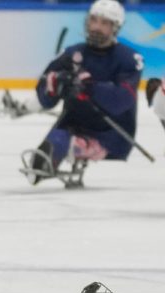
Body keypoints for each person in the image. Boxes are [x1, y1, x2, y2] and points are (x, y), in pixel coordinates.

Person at [20, 0, 143, 185]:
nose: (97, 27)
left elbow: (121, 100)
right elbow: (45, 98)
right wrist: (54, 86)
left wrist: (89, 86)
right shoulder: (71, 54)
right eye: (94, 20)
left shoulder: (128, 59)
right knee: (39, 164)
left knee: (55, 152)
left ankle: (79, 148)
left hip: (111, 134)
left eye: (104, 23)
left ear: (115, 27)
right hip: (72, 126)